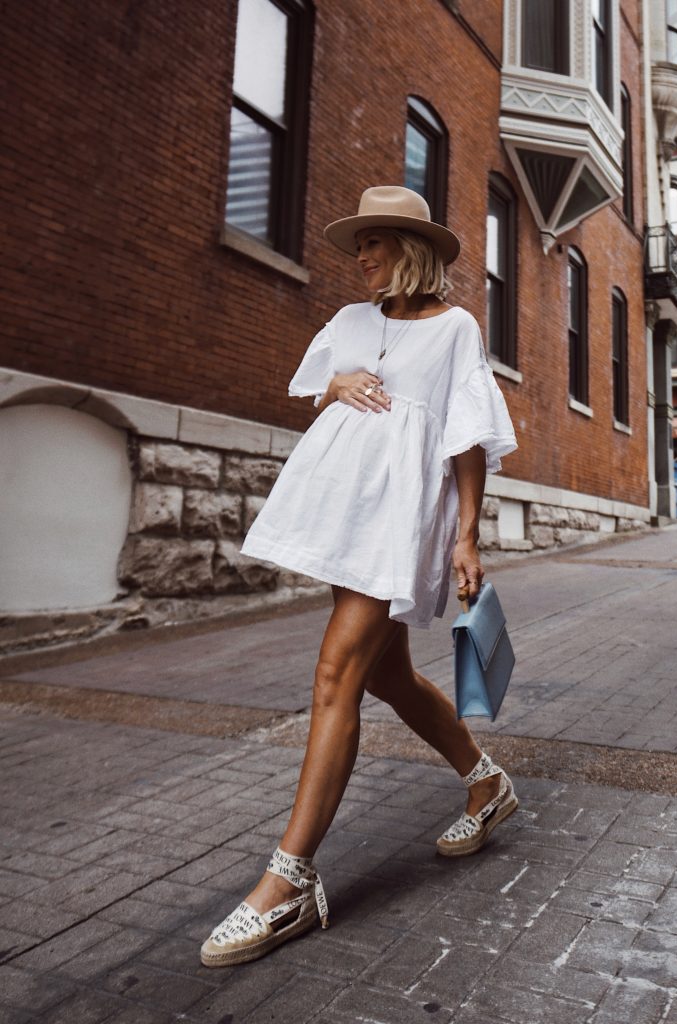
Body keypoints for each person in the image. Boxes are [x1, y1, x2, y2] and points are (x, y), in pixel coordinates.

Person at [200, 185, 518, 968]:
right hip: (341, 513)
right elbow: (314, 383)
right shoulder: (347, 322)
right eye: (360, 246)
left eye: (374, 243)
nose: (363, 258)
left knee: (336, 672)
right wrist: (334, 385)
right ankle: (485, 784)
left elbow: (468, 436)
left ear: (411, 249)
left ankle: (290, 879)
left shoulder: (454, 330)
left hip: (400, 519)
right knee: (388, 678)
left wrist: (467, 538)